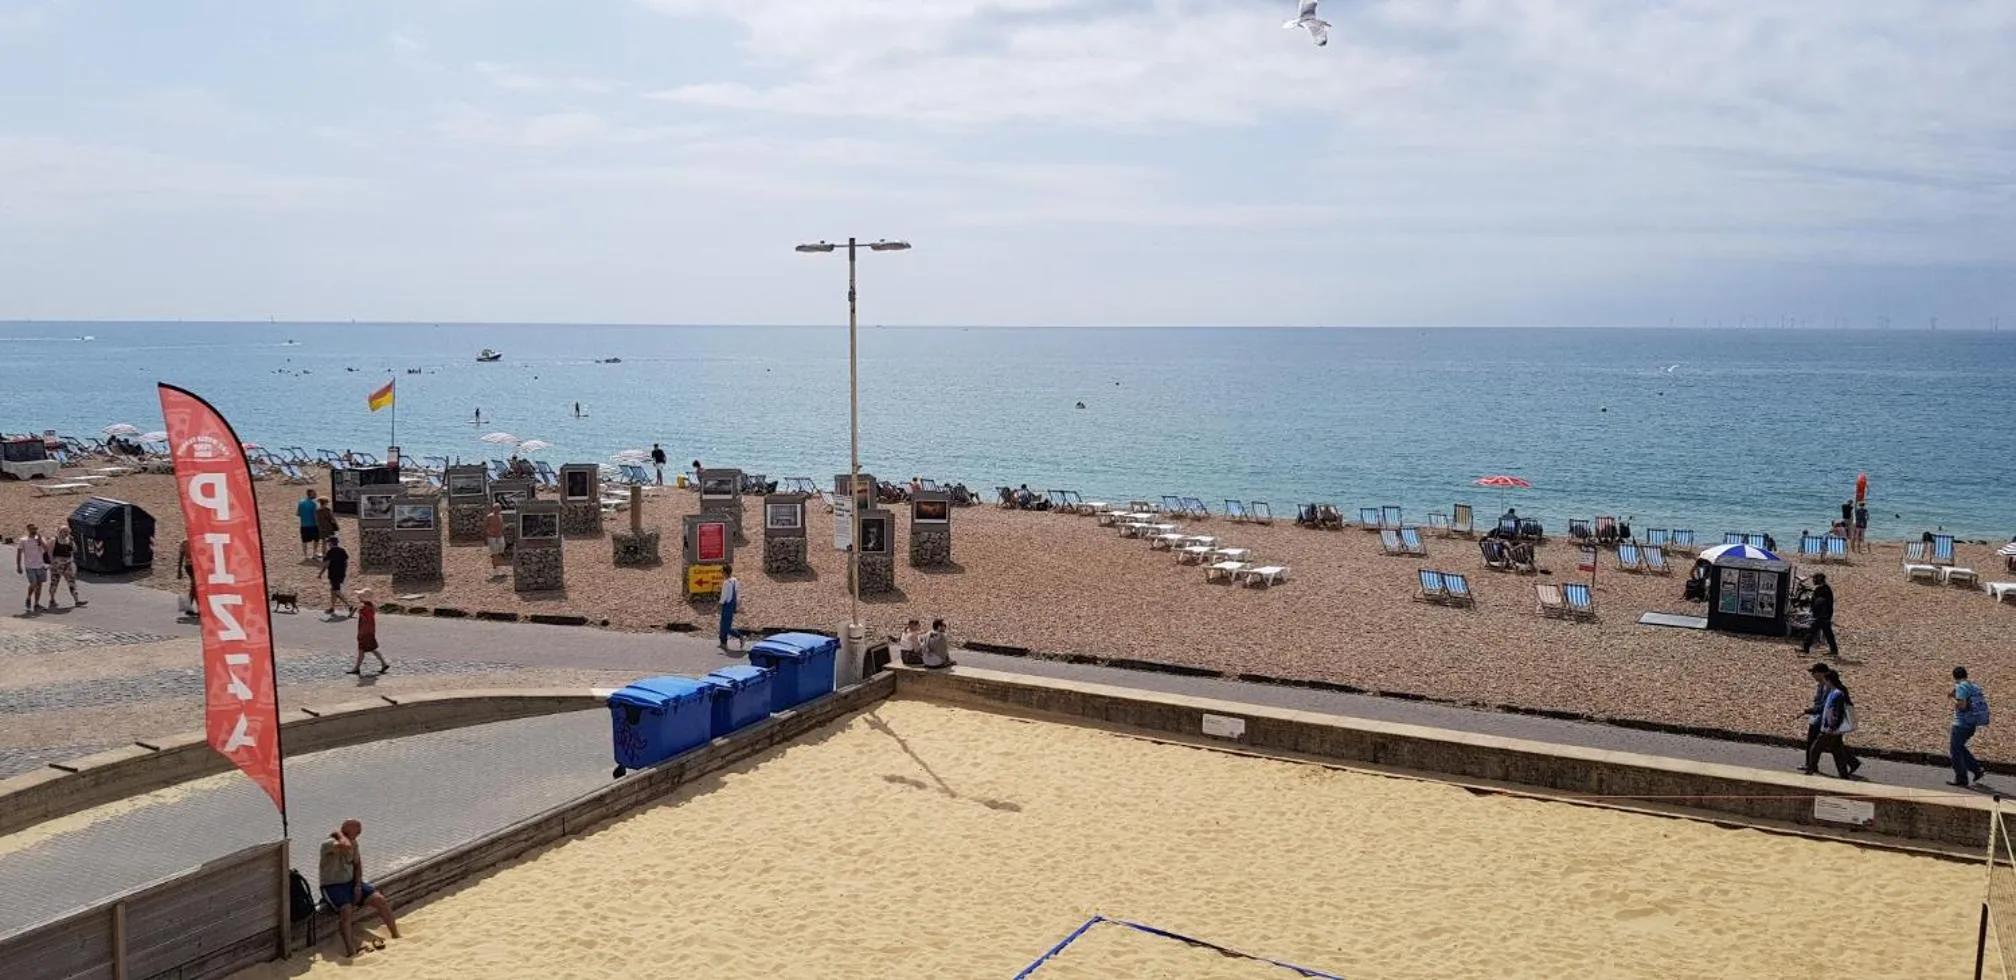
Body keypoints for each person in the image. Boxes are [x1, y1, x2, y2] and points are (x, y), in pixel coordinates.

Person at [319, 819, 401, 958]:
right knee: (346, 910)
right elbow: (345, 846)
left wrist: (357, 885)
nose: (359, 834)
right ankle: (350, 950)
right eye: (357, 832)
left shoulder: (354, 843)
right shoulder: (329, 844)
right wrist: (339, 834)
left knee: (379, 899)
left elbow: (357, 865)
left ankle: (395, 934)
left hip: (351, 882)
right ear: (346, 831)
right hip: (332, 886)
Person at [1803, 668, 1859, 778]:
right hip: (1832, 729)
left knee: (1815, 749)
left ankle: (1810, 770)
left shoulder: (1837, 694)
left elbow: (1836, 712)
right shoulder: (1834, 692)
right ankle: (1844, 774)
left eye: (1826, 681)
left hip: (1829, 729)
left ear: (1829, 681)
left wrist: (1832, 726)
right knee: (1838, 752)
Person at [1949, 667, 1989, 788]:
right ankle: (1976, 769)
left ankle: (1961, 778)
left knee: (1955, 751)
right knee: (1959, 748)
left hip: (1961, 724)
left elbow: (1962, 706)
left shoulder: (1961, 687)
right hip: (1972, 723)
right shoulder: (1974, 686)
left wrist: (1952, 699)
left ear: (1954, 676)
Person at [351, 589, 390, 676]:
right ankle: (383, 663)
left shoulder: (365, 608)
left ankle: (357, 668)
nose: (358, 597)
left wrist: (359, 612)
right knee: (369, 649)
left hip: (365, 632)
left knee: (363, 649)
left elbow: (365, 620)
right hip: (369, 631)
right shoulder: (370, 606)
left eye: (360, 596)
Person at [46, 526, 84, 608]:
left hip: (68, 563)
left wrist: (72, 541)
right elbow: (49, 552)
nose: (66, 533)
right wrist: (52, 563)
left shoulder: (69, 540)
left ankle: (77, 600)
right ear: (59, 532)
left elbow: (75, 550)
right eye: (64, 531)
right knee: (54, 582)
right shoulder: (54, 540)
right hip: (57, 564)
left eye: (67, 531)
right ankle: (52, 599)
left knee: (72, 581)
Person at [16, 523, 50, 614]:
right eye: (32, 529)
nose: (34, 530)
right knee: (33, 584)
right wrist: (18, 566)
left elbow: (47, 549)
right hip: (30, 566)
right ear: (28, 529)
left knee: (39, 585)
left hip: (40, 565)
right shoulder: (23, 540)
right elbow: (19, 553)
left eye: (35, 528)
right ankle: (28, 597)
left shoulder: (40, 539)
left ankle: (36, 603)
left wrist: (40, 541)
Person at [1802, 572, 1838, 656]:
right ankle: (1834, 650)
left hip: (1822, 616)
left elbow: (1823, 603)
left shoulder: (1825, 590)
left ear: (1819, 579)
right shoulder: (1821, 589)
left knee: (1811, 631)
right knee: (1828, 633)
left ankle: (1805, 649)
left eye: (1814, 579)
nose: (1813, 581)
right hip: (1822, 615)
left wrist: (1821, 613)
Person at [320, 537, 355, 618]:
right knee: (333, 590)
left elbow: (326, 564)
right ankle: (332, 608)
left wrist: (320, 574)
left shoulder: (330, 552)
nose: (328, 544)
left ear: (331, 543)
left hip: (333, 574)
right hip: (341, 573)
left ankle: (350, 606)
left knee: (336, 591)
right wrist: (343, 572)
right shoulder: (342, 551)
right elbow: (346, 562)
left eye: (329, 543)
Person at [718, 565, 740, 651]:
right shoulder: (735, 580)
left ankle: (739, 636)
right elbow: (737, 593)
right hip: (732, 604)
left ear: (725, 572)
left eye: (722, 572)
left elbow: (724, 596)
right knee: (724, 624)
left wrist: (720, 604)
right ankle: (723, 642)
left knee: (725, 626)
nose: (721, 573)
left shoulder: (726, 583)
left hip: (726, 605)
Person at [175, 538, 198, 619]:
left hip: (189, 566)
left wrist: (179, 571)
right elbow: (181, 557)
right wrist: (179, 571)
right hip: (192, 566)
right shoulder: (197, 540)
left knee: (194, 586)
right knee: (194, 586)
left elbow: (181, 557)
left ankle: (188, 607)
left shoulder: (184, 542)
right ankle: (188, 607)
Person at [297, 488, 321, 560]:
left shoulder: (301, 502)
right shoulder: (313, 503)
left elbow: (298, 513)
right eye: (314, 493)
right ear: (311, 494)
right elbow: (315, 516)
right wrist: (319, 524)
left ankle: (305, 556)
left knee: (304, 540)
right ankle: (314, 553)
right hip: (313, 525)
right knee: (316, 539)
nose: (316, 494)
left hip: (303, 525)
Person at [485, 503, 507, 576]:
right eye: (497, 508)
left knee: (501, 552)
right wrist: (486, 536)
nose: (499, 510)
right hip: (492, 537)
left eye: (499, 508)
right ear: (494, 509)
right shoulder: (489, 516)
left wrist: (502, 532)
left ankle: (501, 569)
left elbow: (502, 525)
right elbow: (485, 527)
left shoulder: (500, 515)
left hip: (500, 536)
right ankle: (496, 570)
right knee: (495, 554)